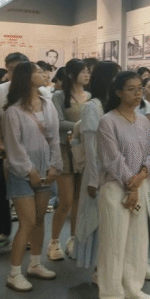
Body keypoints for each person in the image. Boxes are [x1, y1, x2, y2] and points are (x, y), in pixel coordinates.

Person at [96, 71, 150, 299]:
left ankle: (133, 290)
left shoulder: (143, 121)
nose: (138, 93)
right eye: (132, 89)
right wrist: (130, 185)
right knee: (114, 243)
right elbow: (112, 159)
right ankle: (110, 297)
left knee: (137, 241)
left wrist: (141, 177)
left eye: (140, 88)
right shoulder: (108, 121)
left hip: (138, 186)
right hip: (115, 188)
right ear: (119, 92)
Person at [2, 62, 62, 292]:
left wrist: (55, 165)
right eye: (37, 71)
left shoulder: (48, 104)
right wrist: (30, 170)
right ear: (26, 77)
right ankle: (14, 273)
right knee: (26, 222)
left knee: (39, 220)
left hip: (46, 169)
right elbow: (14, 146)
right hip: (21, 172)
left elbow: (54, 138)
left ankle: (35, 264)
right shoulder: (13, 110)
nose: (43, 74)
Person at [75, 61, 120, 279]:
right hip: (99, 173)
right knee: (97, 221)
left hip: (117, 172)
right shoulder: (92, 107)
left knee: (114, 222)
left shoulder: (116, 105)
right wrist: (94, 180)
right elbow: (91, 148)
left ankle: (112, 267)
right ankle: (99, 269)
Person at [0, 52, 30, 253]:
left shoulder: (37, 91)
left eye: (19, 68)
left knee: (28, 196)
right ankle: (2, 234)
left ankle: (26, 235)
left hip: (29, 154)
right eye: (11, 69)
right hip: (2, 153)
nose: (15, 73)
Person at [49, 58, 91, 261]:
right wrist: (82, 126)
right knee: (65, 201)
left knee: (79, 201)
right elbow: (58, 122)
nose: (87, 75)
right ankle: (54, 241)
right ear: (73, 75)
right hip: (65, 150)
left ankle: (73, 239)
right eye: (83, 71)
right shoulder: (59, 96)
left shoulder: (91, 96)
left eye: (88, 71)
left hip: (84, 150)